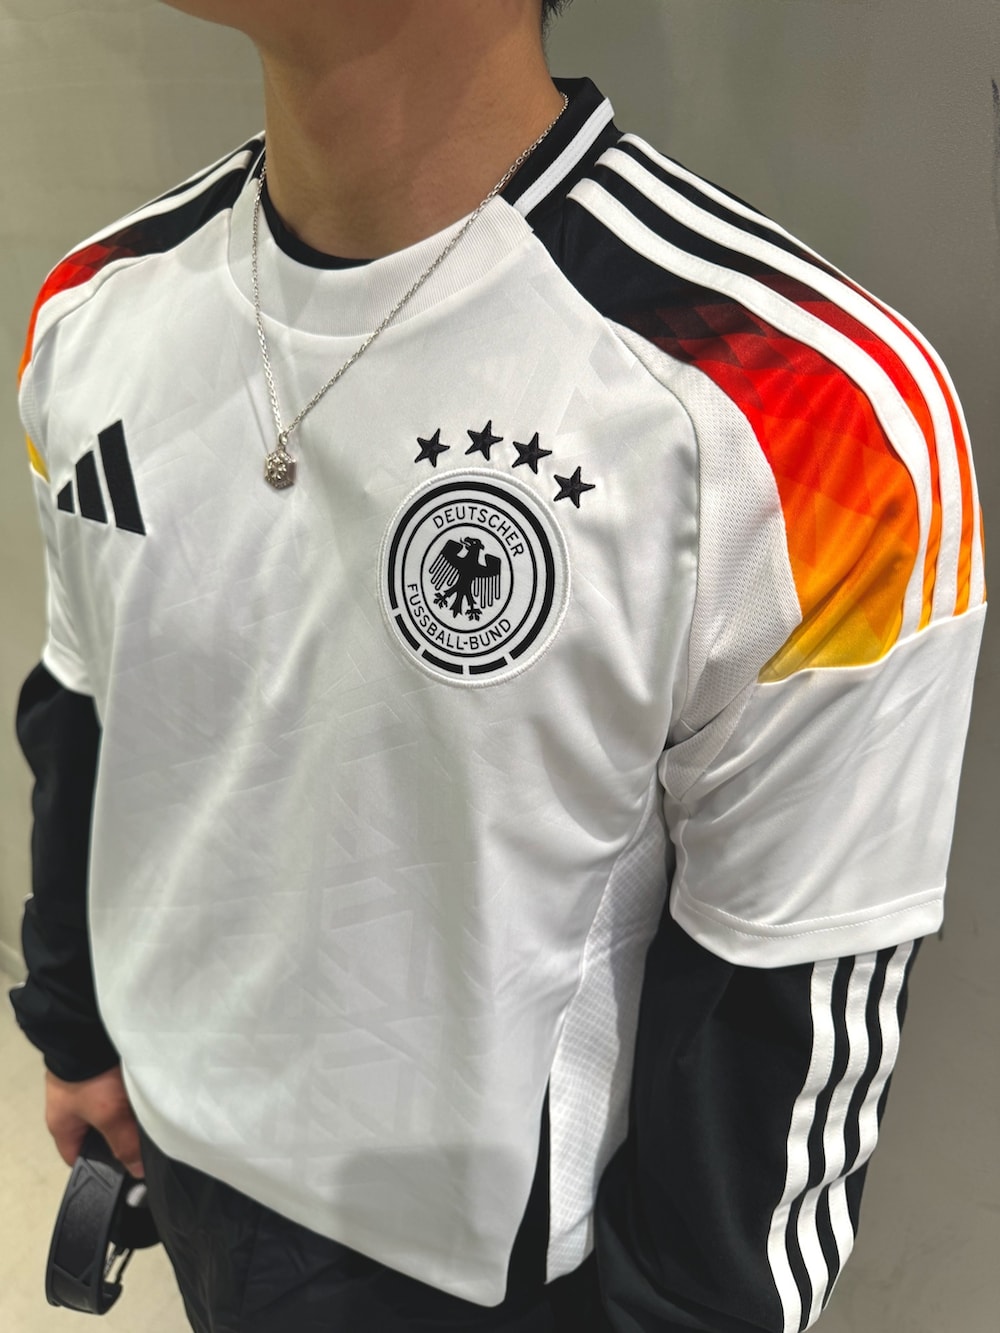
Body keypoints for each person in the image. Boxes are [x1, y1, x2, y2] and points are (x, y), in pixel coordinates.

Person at [9, 1, 985, 1330]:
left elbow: (784, 997)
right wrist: (77, 1024)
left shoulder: (801, 405)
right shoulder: (94, 305)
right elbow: (88, 707)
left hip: (491, 1276)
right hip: (183, 1155)